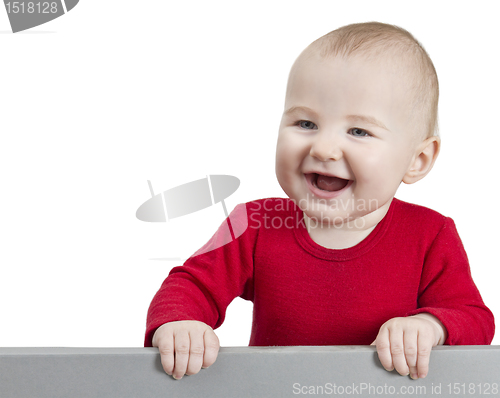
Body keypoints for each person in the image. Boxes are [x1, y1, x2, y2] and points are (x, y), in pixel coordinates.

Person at [144, 22, 495, 381]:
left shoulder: (430, 234)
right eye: (306, 123)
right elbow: (190, 286)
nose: (323, 148)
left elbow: (475, 319)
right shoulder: (253, 222)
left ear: (416, 160)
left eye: (359, 131)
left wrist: (430, 325)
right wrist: (180, 323)